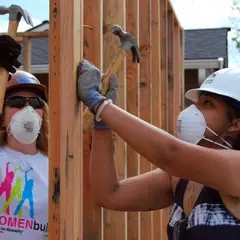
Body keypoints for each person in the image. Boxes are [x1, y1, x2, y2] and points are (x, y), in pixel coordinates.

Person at [77, 59, 240, 240]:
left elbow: (170, 154)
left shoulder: (236, 168)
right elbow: (109, 195)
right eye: (197, 103)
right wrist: (102, 125)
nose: (194, 110)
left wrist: (100, 105)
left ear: (236, 123)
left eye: (208, 104)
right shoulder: (183, 180)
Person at [0, 35, 48, 239]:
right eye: (17, 101)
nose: (27, 109)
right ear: (2, 117)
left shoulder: (58, 167)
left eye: (35, 103)